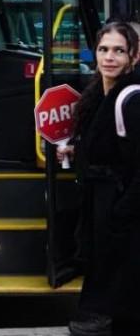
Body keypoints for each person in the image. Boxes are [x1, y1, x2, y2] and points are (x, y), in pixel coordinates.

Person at [56, 21, 140, 336]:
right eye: (104, 49)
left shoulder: (130, 99)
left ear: (134, 56)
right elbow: (112, 148)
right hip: (106, 206)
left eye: (119, 50)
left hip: (123, 210)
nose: (109, 57)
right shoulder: (100, 95)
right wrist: (78, 153)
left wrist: (121, 213)